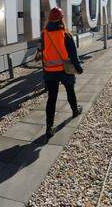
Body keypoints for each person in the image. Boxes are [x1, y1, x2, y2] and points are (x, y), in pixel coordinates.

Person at [36, 7, 83, 140]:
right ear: (61, 18)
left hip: (50, 71)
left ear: (49, 19)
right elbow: (73, 54)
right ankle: (75, 110)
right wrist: (78, 68)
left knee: (52, 99)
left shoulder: (44, 34)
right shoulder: (65, 34)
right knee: (70, 91)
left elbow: (41, 50)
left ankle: (49, 127)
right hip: (64, 70)